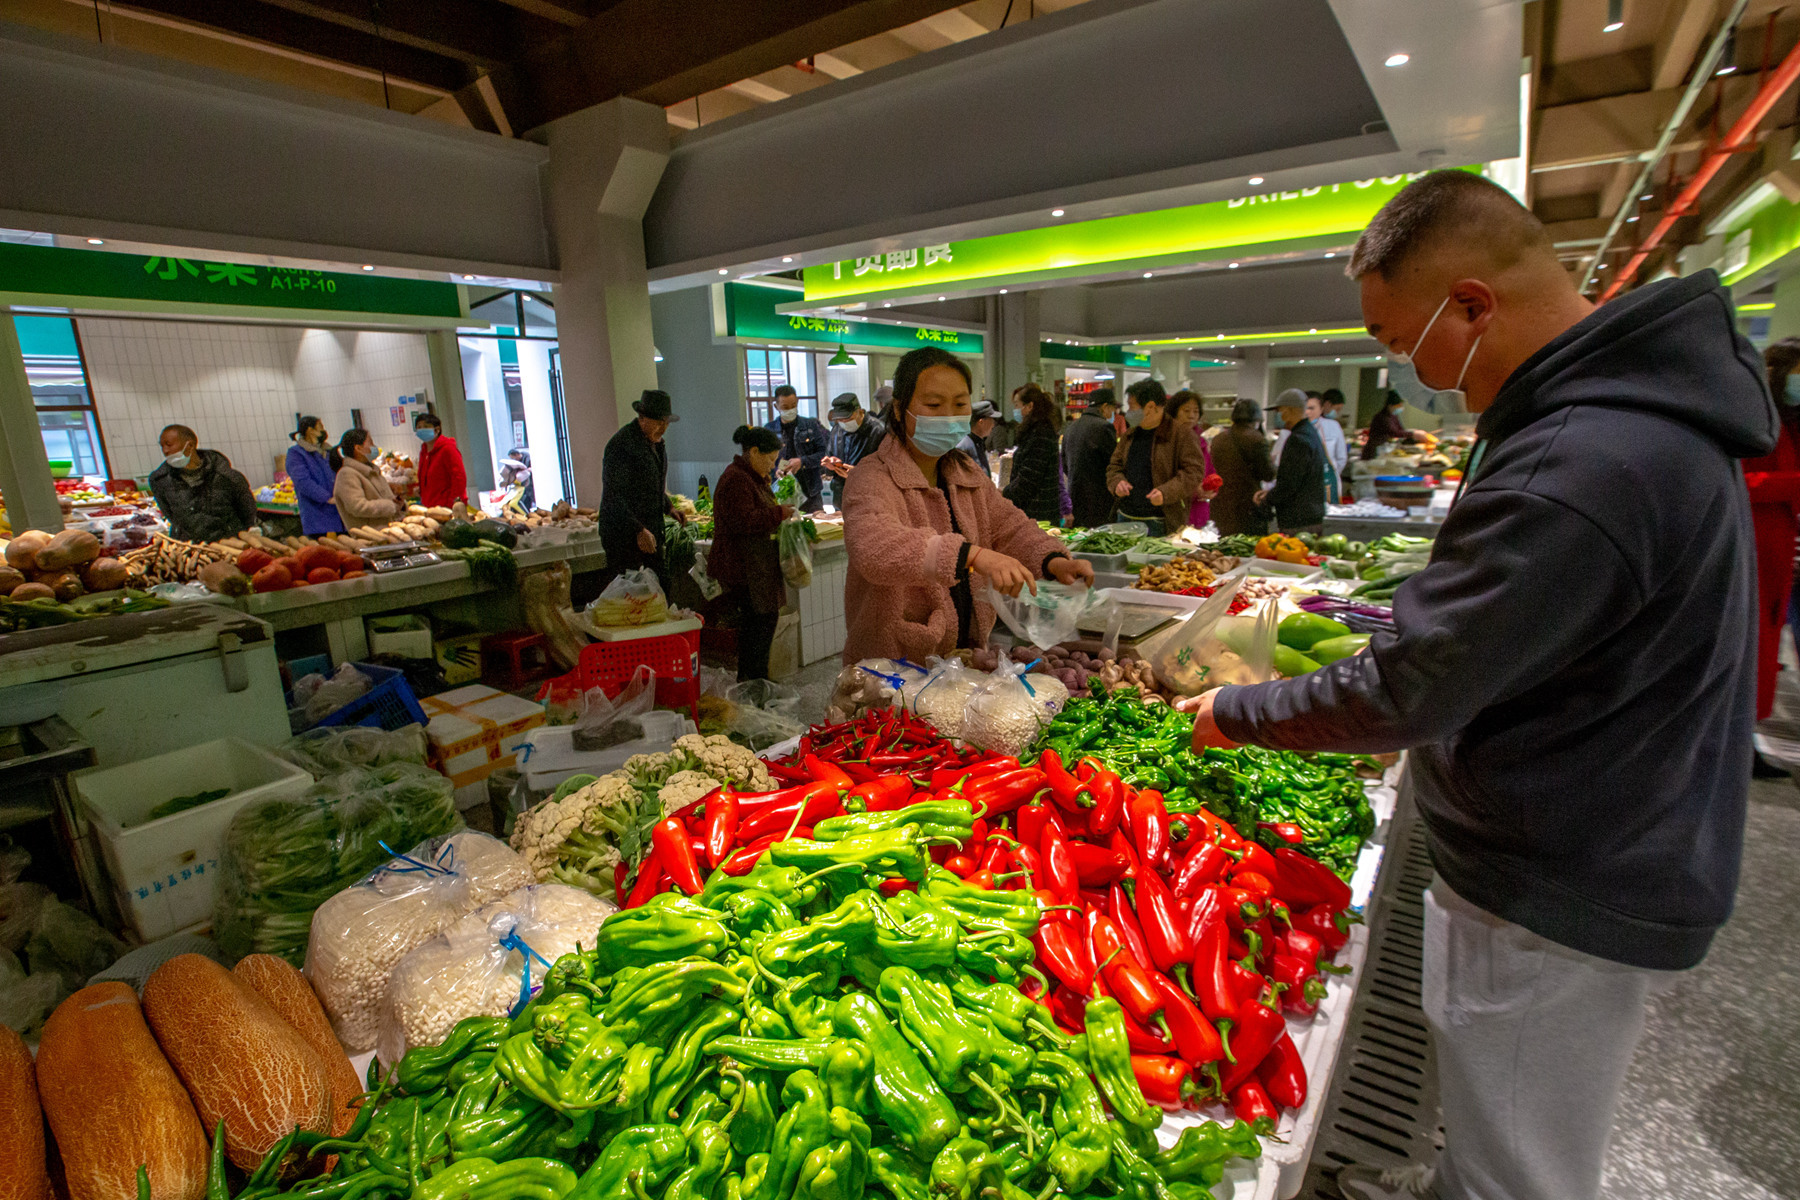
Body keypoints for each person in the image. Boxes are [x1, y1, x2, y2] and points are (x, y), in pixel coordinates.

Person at [1179, 170, 1773, 1200]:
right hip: (1591, 833)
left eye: (1392, 339)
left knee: (1525, 1168)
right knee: (1503, 1125)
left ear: (1470, 307)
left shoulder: (1583, 462)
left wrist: (1235, 710)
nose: (1403, 371)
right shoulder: (1625, 425)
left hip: (1568, 869)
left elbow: (1412, 687)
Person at [842, 346, 1093, 663]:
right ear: (898, 408)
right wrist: (971, 555)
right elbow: (874, 548)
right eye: (934, 404)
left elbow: (1009, 526)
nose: (949, 415)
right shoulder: (872, 477)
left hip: (963, 657)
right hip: (894, 665)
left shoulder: (965, 472)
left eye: (960, 404)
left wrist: (1053, 560)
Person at [1748, 339, 1800, 776]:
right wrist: (1789, 484)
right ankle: (1742, 741)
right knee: (1755, 648)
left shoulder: (1791, 423)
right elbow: (1736, 479)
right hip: (1761, 548)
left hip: (1782, 555)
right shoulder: (1756, 419)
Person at [709, 425, 796, 682]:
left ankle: (758, 683)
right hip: (742, 571)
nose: (772, 465)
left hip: (755, 569)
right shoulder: (736, 479)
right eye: (770, 459)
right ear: (754, 452)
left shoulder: (750, 477)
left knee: (762, 628)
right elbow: (743, 521)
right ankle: (752, 686)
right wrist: (779, 513)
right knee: (755, 632)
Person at [600, 389, 683, 590]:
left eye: (666, 422)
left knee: (661, 587)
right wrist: (637, 529)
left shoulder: (655, 443)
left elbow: (650, 485)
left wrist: (669, 507)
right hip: (623, 535)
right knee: (631, 592)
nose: (663, 427)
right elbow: (614, 495)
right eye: (658, 421)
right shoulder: (622, 445)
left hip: (650, 531)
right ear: (642, 418)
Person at [1105, 379, 1206, 535]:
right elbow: (1114, 466)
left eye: (1132, 406)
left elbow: (1193, 472)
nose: (1129, 412)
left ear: (1150, 407)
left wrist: (1166, 493)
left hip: (1160, 520)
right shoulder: (1130, 434)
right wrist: (1117, 482)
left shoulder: (1181, 435)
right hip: (1125, 516)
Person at [148, 424, 257, 544]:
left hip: (230, 546)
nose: (165, 451)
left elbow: (247, 512)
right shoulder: (160, 481)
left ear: (189, 445)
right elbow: (171, 515)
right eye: (162, 446)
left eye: (169, 445)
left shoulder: (227, 476)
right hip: (189, 549)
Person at [1257, 389, 1327, 534]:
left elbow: (1290, 483)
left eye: (1279, 411)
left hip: (1298, 520)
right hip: (1310, 516)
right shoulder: (1310, 433)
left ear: (1289, 410)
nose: (1279, 416)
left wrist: (1268, 498)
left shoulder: (1298, 439)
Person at [765, 385, 829, 513]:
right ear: (776, 406)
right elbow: (763, 462)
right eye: (785, 407)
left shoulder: (810, 425)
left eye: (793, 405)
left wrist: (802, 461)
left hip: (811, 492)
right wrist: (776, 470)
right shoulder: (769, 430)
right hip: (783, 494)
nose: (790, 410)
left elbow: (824, 454)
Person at [1001, 384, 1062, 522]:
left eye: (1017, 405)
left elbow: (1029, 479)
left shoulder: (1040, 434)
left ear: (1029, 406)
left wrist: (1004, 493)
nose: (1015, 410)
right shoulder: (1034, 432)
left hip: (1039, 513)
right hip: (1035, 510)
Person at [1062, 388, 1118, 527]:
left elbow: (1064, 463)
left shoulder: (1071, 427)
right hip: (1099, 501)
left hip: (1075, 497)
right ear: (1105, 406)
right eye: (1112, 409)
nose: (1112, 414)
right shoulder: (1104, 427)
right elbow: (1114, 464)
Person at [823, 393, 886, 509]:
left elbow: (889, 469)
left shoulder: (879, 431)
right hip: (841, 499)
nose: (844, 422)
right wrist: (831, 465)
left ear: (860, 412)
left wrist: (859, 474)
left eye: (848, 418)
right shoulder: (837, 431)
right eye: (840, 419)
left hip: (870, 500)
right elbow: (829, 456)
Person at [1168, 390, 1219, 529]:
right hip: (1174, 512)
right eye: (1186, 411)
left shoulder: (1201, 442)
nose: (1191, 416)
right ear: (1174, 413)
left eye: (1195, 412)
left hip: (1199, 511)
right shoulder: (1166, 441)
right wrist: (1194, 490)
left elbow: (1210, 472)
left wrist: (1210, 489)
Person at [285, 416, 344, 537]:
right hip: (317, 517)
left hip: (339, 514)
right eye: (320, 427)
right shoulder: (296, 454)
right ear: (309, 430)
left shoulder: (328, 450)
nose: (324, 431)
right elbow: (303, 482)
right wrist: (327, 498)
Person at [333, 429, 404, 528]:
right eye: (371, 443)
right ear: (358, 448)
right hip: (370, 536)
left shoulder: (372, 471)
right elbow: (357, 507)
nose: (374, 447)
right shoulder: (347, 474)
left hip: (388, 531)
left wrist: (399, 504)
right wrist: (390, 506)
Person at [413, 413, 467, 509]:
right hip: (429, 506)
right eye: (419, 427)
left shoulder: (447, 449)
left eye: (425, 427)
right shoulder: (424, 451)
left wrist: (452, 503)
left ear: (437, 429)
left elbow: (459, 477)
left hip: (447, 507)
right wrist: (419, 488)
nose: (421, 430)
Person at [1311, 391, 1348, 502]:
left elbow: (1342, 458)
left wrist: (1332, 473)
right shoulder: (1294, 429)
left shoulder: (1333, 426)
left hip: (1328, 483)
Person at [1362, 390, 1416, 459]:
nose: (1400, 408)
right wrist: (1414, 434)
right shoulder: (1381, 417)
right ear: (1390, 406)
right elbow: (1394, 432)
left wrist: (1412, 432)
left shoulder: (1394, 416)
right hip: (1374, 451)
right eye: (1398, 406)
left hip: (1384, 449)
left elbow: (1400, 429)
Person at [958, 400, 998, 477]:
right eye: (992, 420)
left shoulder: (977, 442)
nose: (993, 424)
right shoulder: (963, 446)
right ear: (981, 422)